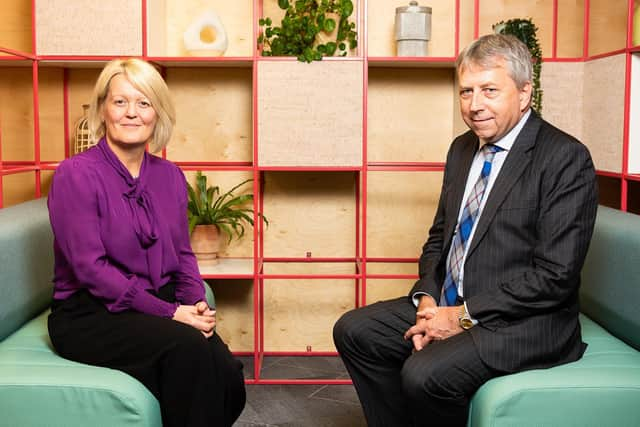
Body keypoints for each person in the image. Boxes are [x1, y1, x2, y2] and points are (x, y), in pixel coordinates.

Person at [333, 34, 598, 426]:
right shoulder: (461, 149)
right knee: (356, 331)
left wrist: (461, 316)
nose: (475, 106)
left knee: (424, 374)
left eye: (490, 90)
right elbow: (440, 237)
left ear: (525, 93)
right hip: (452, 302)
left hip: (523, 322)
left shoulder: (564, 157)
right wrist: (427, 300)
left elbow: (554, 278)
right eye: (466, 92)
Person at [47, 58, 246, 427]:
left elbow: (182, 253)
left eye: (143, 103)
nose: (131, 113)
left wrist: (195, 302)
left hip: (155, 299)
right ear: (103, 109)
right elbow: (91, 270)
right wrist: (171, 313)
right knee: (188, 353)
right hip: (89, 313)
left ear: (158, 113)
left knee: (230, 376)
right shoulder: (74, 175)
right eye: (120, 102)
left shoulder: (170, 176)